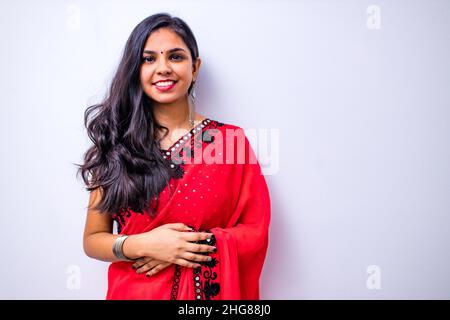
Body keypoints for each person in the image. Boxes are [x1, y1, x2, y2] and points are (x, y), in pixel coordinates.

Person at [78, 12, 271, 300]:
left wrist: (186, 247)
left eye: (176, 57)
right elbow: (93, 240)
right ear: (135, 70)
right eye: (149, 58)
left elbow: (255, 231)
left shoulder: (230, 142)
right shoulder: (115, 144)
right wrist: (144, 245)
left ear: (195, 67)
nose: (163, 68)